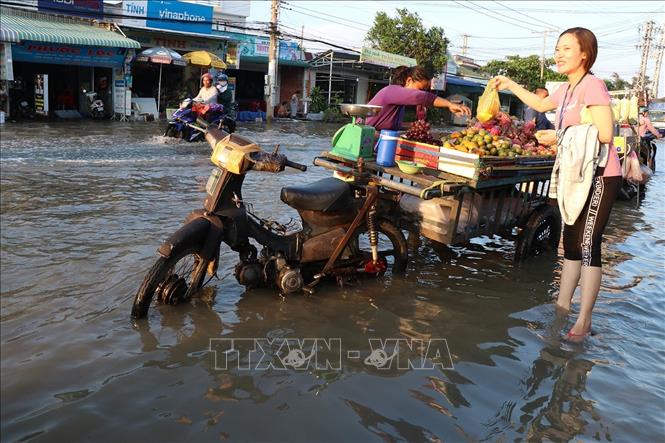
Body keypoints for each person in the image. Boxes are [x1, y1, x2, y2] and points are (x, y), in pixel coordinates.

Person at [493, 27, 622, 342]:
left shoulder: (593, 86)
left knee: (589, 245)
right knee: (573, 243)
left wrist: (559, 136)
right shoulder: (565, 89)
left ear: (584, 54)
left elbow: (606, 133)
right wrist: (509, 84)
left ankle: (584, 319)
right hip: (577, 175)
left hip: (601, 175)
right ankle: (563, 306)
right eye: (556, 48)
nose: (558, 54)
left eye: (566, 48)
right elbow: (540, 106)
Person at [366, 66, 470, 131]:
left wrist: (416, 127)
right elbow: (422, 97)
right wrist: (449, 104)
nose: (422, 92)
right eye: (420, 89)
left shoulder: (400, 103)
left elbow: (392, 126)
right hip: (364, 138)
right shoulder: (391, 90)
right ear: (408, 81)